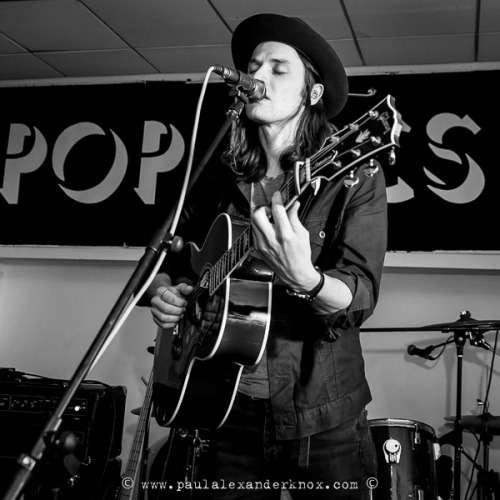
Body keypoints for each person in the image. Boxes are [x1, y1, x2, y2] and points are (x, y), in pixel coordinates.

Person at [142, 13, 387, 500]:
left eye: (279, 68)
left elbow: (359, 294)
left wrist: (307, 279)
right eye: (255, 66)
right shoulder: (216, 174)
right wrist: (165, 292)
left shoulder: (351, 175)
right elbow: (165, 256)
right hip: (224, 406)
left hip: (321, 414)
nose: (258, 76)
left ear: (311, 94)